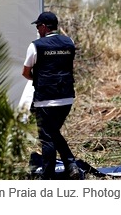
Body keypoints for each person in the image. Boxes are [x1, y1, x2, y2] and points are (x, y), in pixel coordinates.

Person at [22, 11, 81, 180]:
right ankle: (71, 165)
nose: (37, 30)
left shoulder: (36, 46)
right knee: (53, 132)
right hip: (67, 97)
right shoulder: (69, 42)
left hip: (45, 100)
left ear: (43, 27)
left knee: (47, 137)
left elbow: (25, 72)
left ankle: (47, 176)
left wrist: (39, 79)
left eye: (38, 26)